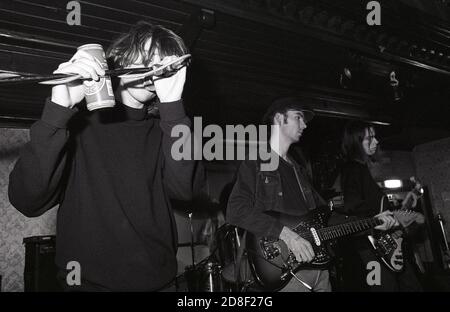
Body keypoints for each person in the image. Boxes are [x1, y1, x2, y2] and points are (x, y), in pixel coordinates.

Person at [8, 21, 204, 291]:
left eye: (163, 66)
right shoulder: (78, 127)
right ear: (121, 58)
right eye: (147, 58)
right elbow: (26, 201)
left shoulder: (169, 130)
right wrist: (58, 110)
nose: (153, 71)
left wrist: (173, 109)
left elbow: (186, 192)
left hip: (160, 284)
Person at [226, 97, 332, 292]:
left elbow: (326, 215)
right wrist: (287, 234)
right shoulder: (257, 161)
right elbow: (236, 210)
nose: (304, 125)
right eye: (298, 117)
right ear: (278, 118)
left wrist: (372, 222)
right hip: (284, 271)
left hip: (319, 269)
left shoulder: (298, 169)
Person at [338, 120, 423, 291]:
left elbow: (379, 209)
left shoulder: (362, 169)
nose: (376, 142)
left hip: (384, 244)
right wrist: (380, 220)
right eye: (370, 138)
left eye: (375, 137)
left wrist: (404, 206)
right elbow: (353, 208)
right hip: (370, 249)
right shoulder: (352, 169)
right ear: (356, 141)